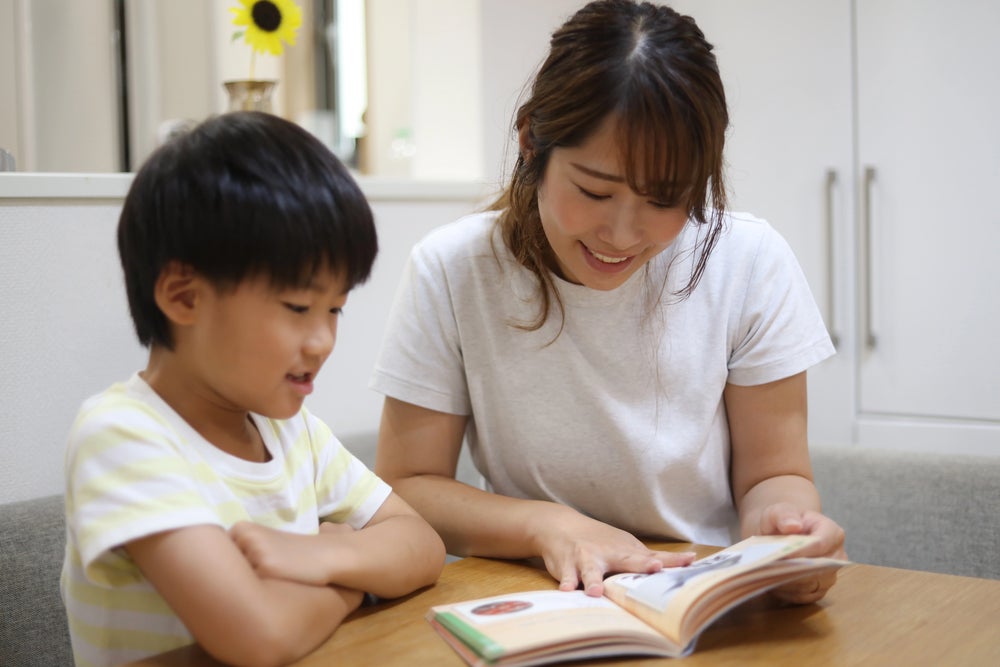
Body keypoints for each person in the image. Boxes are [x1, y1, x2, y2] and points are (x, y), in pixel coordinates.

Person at [370, 0, 845, 607]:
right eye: (594, 191)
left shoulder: (749, 261)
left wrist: (787, 534)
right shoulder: (453, 268)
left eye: (664, 199)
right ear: (530, 144)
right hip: (529, 594)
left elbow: (774, 476)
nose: (622, 235)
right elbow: (408, 486)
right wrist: (551, 526)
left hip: (689, 595)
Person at [61, 111, 446, 667]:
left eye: (334, 308)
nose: (322, 341)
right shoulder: (122, 436)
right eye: (297, 307)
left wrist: (328, 557)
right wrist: (355, 576)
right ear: (184, 296)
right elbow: (258, 636)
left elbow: (423, 545)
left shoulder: (292, 431)